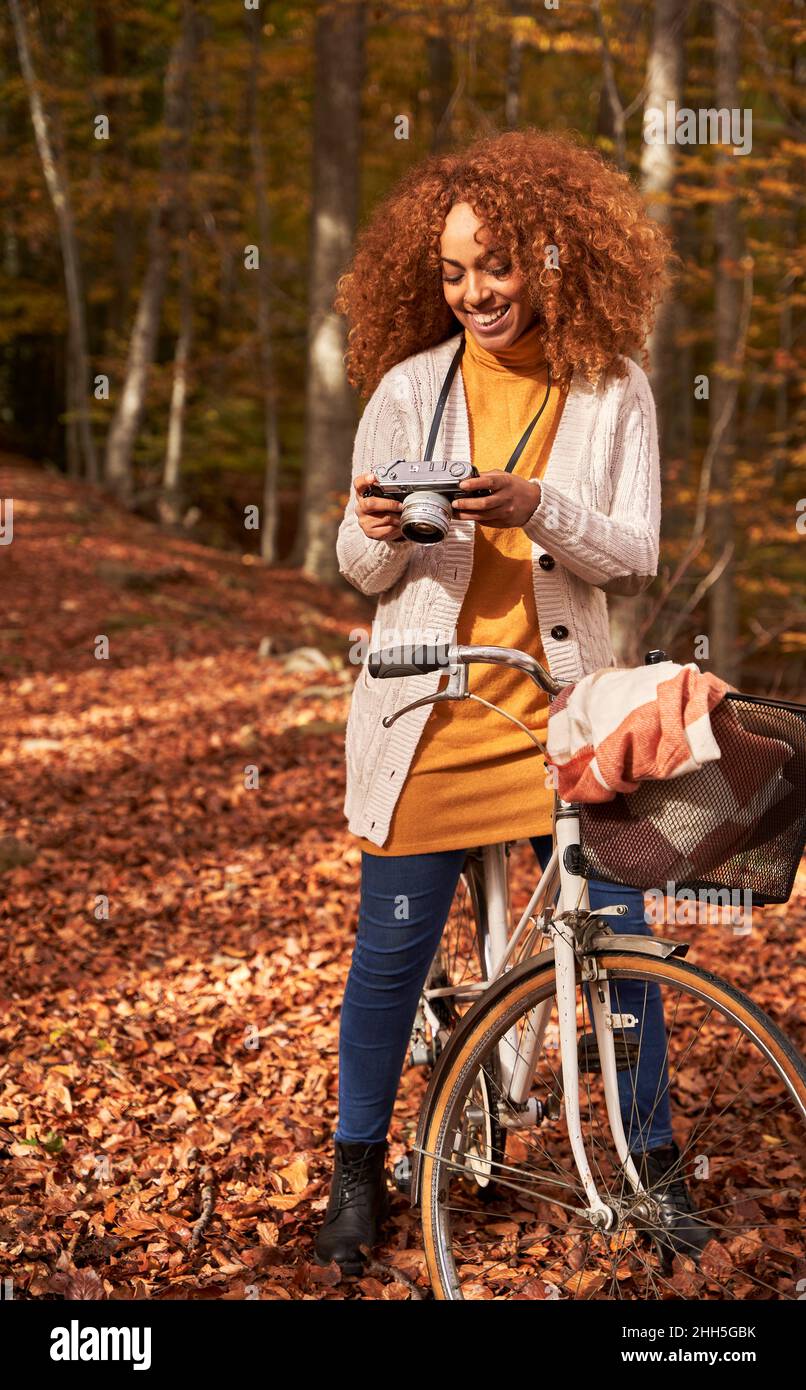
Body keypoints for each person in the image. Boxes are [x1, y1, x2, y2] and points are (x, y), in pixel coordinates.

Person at [313, 127, 710, 1277]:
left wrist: (537, 502)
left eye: (493, 265)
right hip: (427, 712)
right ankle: (357, 1167)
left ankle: (651, 1163)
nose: (473, 291)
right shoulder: (403, 389)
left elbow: (629, 552)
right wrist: (375, 530)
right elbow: (360, 565)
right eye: (450, 271)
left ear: (550, 257)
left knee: (620, 947)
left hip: (561, 713)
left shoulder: (610, 391)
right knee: (388, 954)